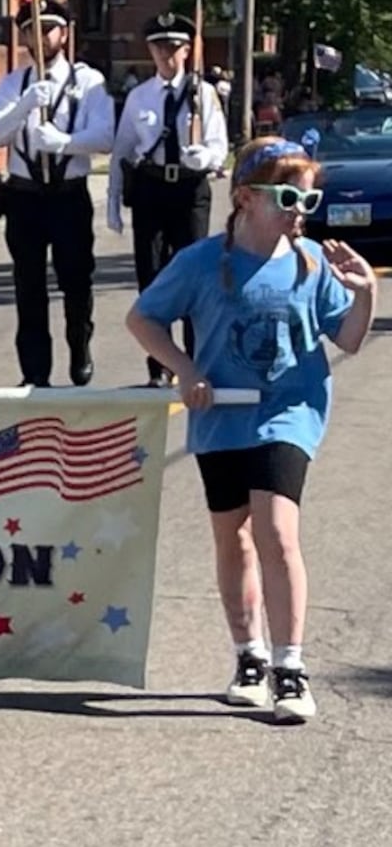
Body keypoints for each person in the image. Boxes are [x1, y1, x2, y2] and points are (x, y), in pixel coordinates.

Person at [125, 137, 375, 723]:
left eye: (308, 201)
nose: (298, 211)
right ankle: (250, 656)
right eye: (287, 197)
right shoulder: (201, 264)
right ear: (244, 198)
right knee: (231, 536)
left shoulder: (312, 265)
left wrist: (367, 295)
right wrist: (184, 370)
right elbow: (143, 319)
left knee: (277, 532)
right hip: (220, 415)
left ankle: (291, 666)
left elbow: (350, 339)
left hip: (288, 413)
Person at [0, 0, 115, 387]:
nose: (39, 36)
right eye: (31, 30)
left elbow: (105, 136)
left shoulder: (88, 81)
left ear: (64, 33)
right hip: (24, 197)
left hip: (67, 195)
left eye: (48, 28)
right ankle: (35, 370)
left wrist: (64, 142)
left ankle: (80, 346)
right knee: (28, 285)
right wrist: (24, 106)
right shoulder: (14, 83)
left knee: (76, 280)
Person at [109, 12, 231, 386]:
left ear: (187, 50)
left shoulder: (203, 94)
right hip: (151, 189)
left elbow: (219, 146)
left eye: (174, 48)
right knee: (152, 278)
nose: (167, 55)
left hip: (189, 190)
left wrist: (205, 159)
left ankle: (196, 362)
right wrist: (113, 200)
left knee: (196, 276)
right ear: (150, 51)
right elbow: (122, 151)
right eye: (160, 48)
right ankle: (159, 365)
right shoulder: (139, 96)